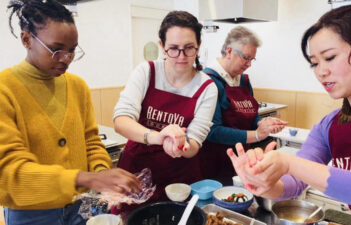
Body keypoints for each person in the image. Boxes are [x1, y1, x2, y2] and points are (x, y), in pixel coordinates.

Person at [228, 5, 351, 225]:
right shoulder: (329, 125)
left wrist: (288, 162)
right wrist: (264, 182)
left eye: (329, 57)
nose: (321, 72)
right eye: (315, 63)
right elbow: (293, 183)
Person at [0, 1, 140, 225]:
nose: (66, 58)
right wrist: (87, 179)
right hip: (32, 214)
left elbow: (91, 142)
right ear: (26, 39)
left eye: (72, 50)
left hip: (82, 204)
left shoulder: (77, 86)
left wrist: (103, 172)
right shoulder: (5, 89)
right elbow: (10, 172)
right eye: (56, 50)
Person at [111, 10, 218, 219]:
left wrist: (181, 145)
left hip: (179, 178)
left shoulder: (207, 87)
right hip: (136, 174)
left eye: (189, 49)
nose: (181, 57)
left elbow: (194, 142)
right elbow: (121, 121)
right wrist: (158, 136)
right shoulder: (146, 72)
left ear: (199, 45)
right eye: (173, 49)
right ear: (162, 46)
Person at [199, 26, 287, 180]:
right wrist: (257, 135)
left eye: (252, 59)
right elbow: (213, 132)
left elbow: (250, 118)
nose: (249, 64)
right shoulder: (209, 80)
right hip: (214, 164)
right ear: (229, 51)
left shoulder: (244, 81)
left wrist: (263, 123)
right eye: (245, 57)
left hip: (241, 160)